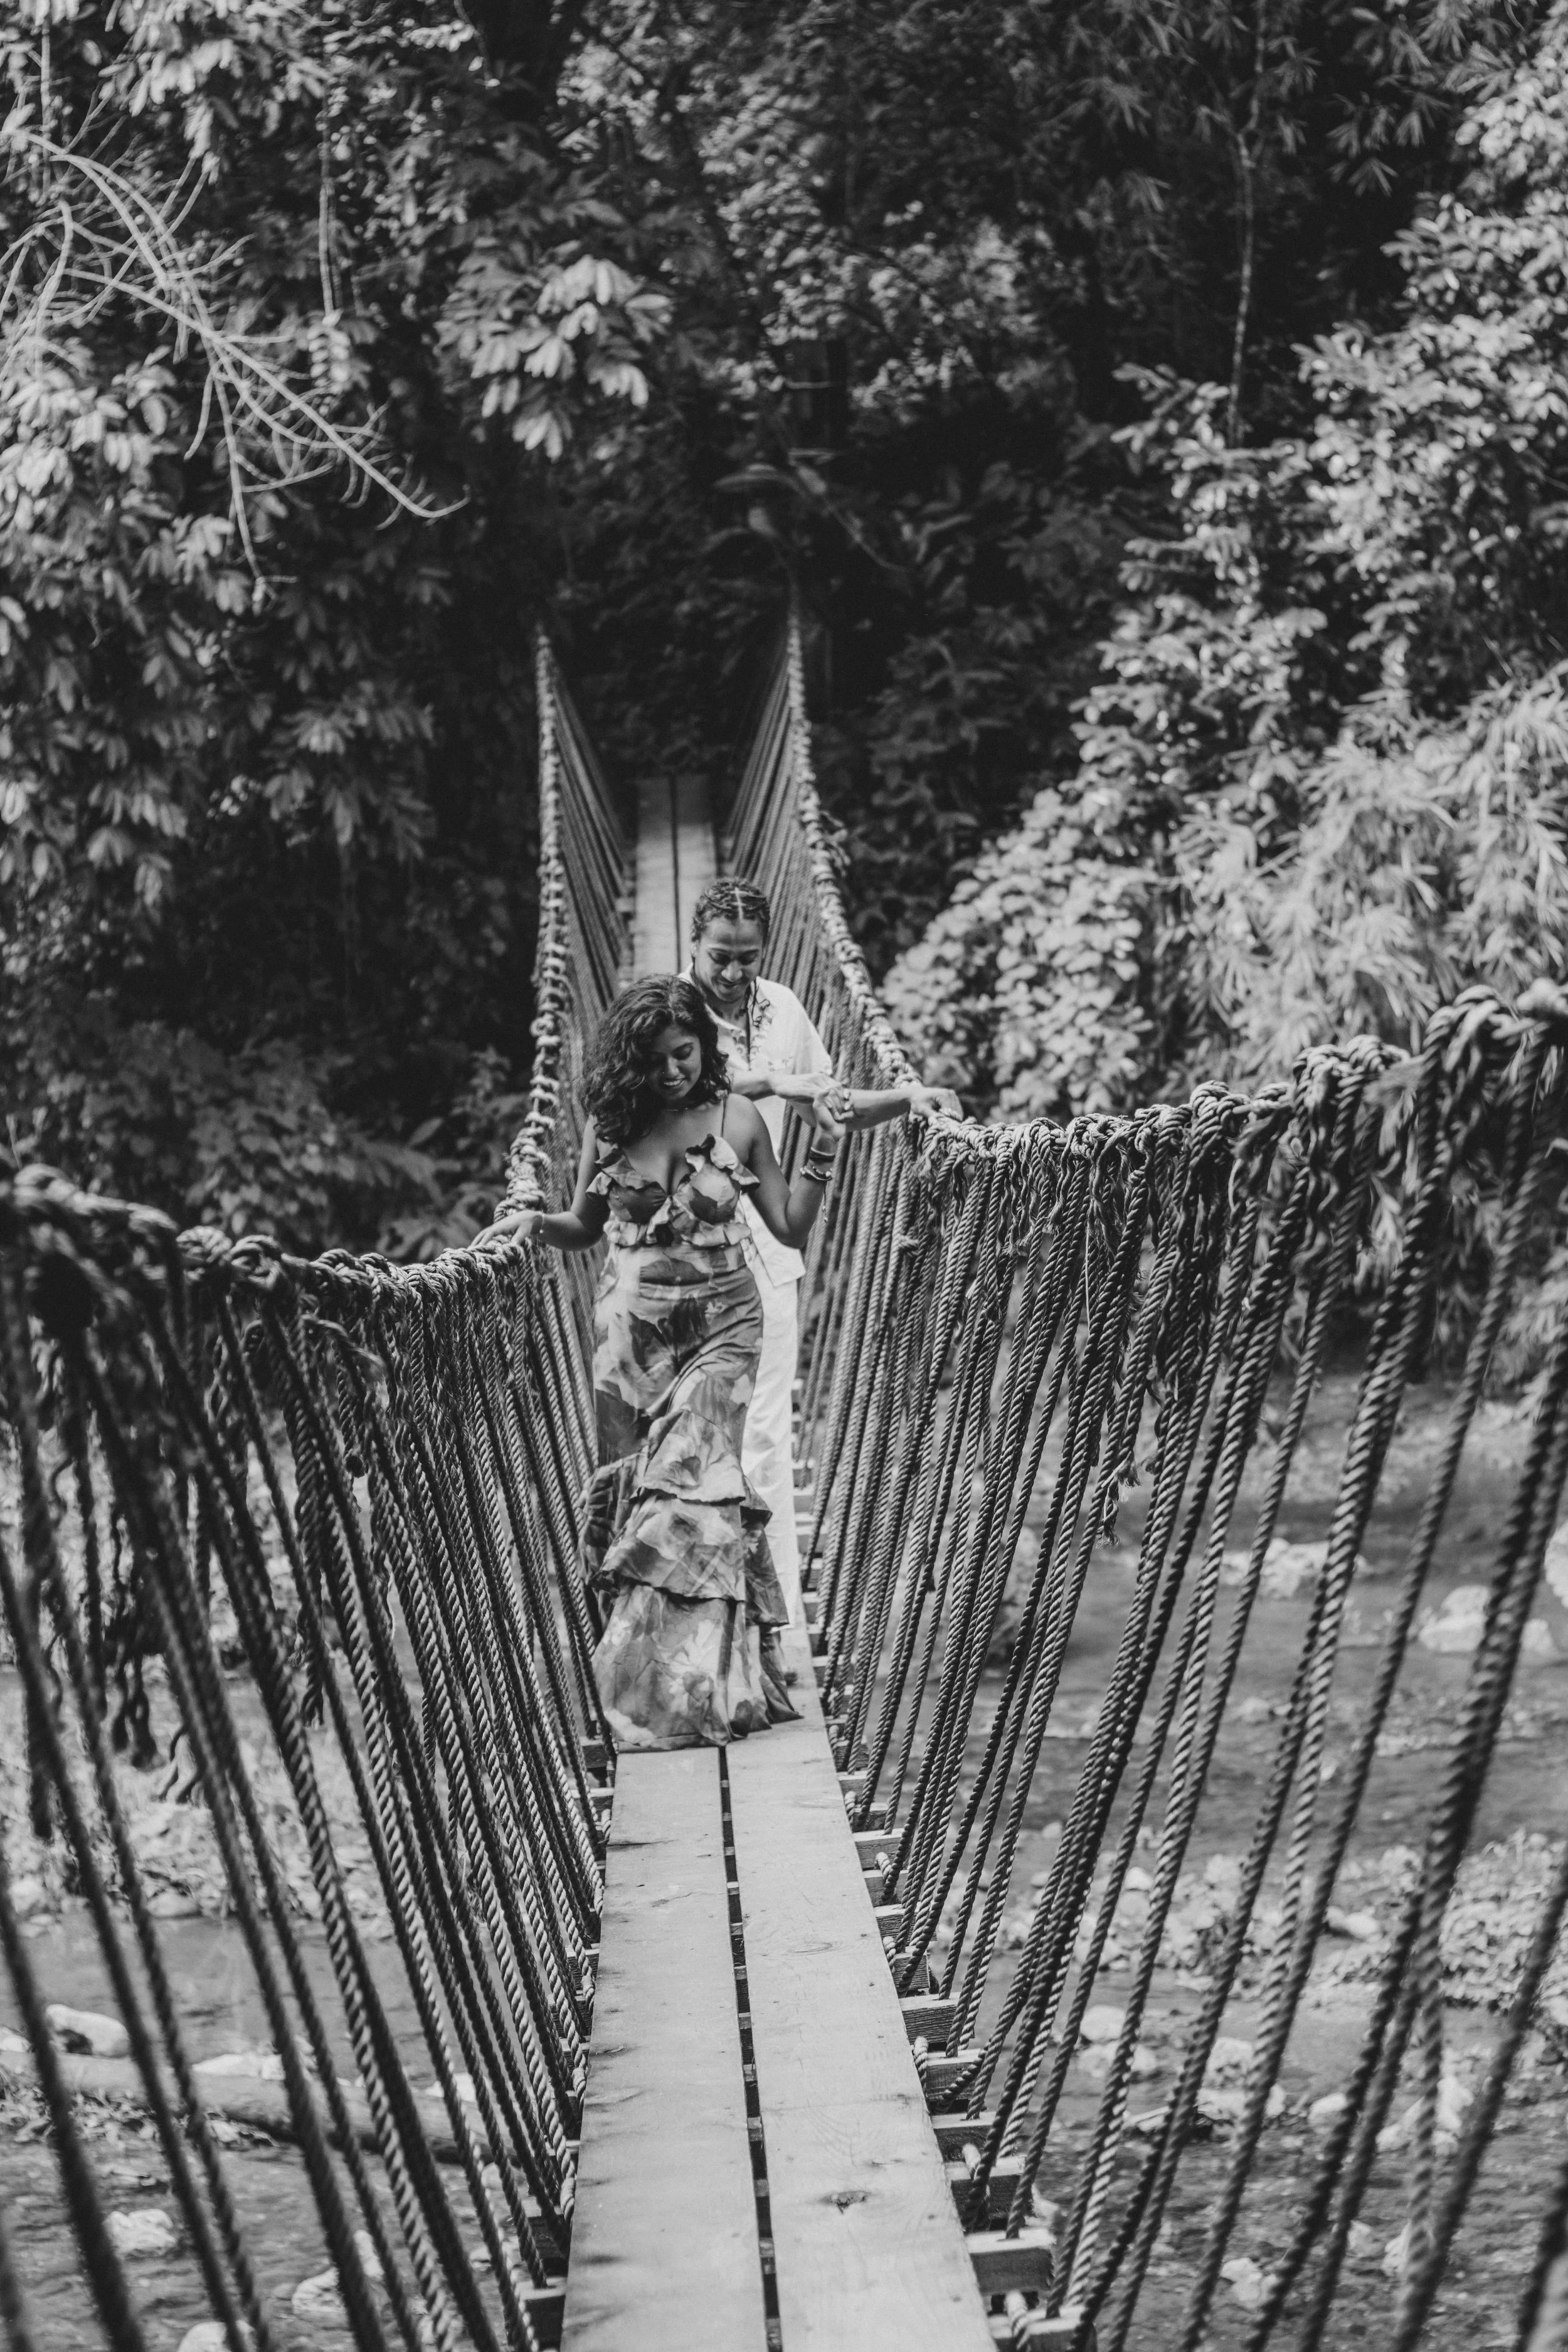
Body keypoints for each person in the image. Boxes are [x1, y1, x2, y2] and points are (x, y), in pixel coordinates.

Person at [486, 973, 842, 1750]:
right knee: (633, 1498)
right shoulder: (611, 1120)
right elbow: (583, 1225)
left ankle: (704, 1685)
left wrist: (822, 1147)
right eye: (656, 1059)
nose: (674, 1070)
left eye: (685, 1052)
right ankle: (639, 1682)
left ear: (704, 1046)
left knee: (698, 1492)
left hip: (725, 1327)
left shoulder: (738, 1116)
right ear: (631, 1060)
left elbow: (788, 1228)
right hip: (632, 1339)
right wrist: (531, 1225)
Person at [683, 879, 960, 1622]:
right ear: (693, 945)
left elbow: (824, 1100)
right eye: (719, 957)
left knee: (766, 1431)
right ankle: (695, 1598)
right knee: (688, 1428)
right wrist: (775, 1079)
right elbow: (680, 1090)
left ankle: (766, 1611)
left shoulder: (782, 1009)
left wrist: (905, 1100)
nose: (733, 973)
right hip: (679, 1252)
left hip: (765, 1242)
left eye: (747, 958)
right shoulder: (668, 1013)